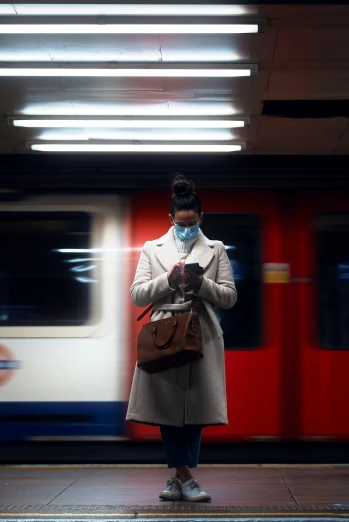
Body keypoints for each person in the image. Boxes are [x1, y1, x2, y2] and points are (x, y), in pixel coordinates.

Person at [126, 174, 237, 502]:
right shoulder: (151, 248)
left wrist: (201, 284)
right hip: (165, 332)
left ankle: (178, 479)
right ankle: (187, 478)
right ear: (171, 219)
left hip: (201, 333)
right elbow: (137, 294)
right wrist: (169, 279)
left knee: (195, 410)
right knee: (168, 409)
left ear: (201, 218)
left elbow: (230, 297)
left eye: (191, 222)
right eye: (180, 222)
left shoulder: (216, 250)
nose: (185, 227)